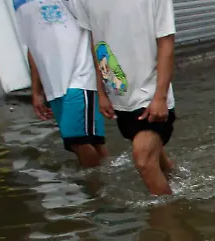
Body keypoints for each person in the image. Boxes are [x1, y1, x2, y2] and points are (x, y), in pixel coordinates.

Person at [68, 0, 177, 196]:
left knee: (143, 159)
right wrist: (101, 92)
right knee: (154, 158)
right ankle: (178, 183)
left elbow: (166, 41)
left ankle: (170, 219)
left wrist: (160, 96)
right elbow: (95, 41)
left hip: (151, 94)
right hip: (119, 94)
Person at [14, 0, 107, 167]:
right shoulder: (19, 4)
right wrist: (36, 91)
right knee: (91, 142)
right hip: (54, 86)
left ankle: (97, 190)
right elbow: (32, 46)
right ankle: (110, 181)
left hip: (81, 77)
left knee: (78, 141)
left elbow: (95, 31)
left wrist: (101, 84)